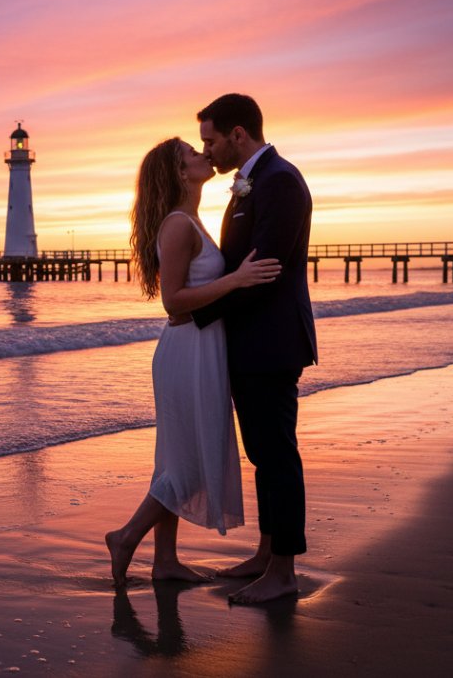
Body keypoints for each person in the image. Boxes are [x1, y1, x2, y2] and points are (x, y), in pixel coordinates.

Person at [105, 137, 281, 587]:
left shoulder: (189, 220)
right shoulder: (179, 225)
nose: (205, 154)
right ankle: (125, 537)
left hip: (198, 348)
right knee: (187, 466)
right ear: (180, 173)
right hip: (188, 350)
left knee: (176, 459)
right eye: (192, 153)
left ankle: (165, 561)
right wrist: (238, 280)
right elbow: (174, 302)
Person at [190, 93, 318, 604]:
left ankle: (283, 571)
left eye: (211, 139)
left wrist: (196, 313)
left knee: (276, 454)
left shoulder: (279, 182)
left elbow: (264, 273)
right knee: (262, 453)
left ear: (238, 134)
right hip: (250, 341)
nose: (210, 150)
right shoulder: (252, 183)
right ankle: (266, 553)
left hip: (271, 340)